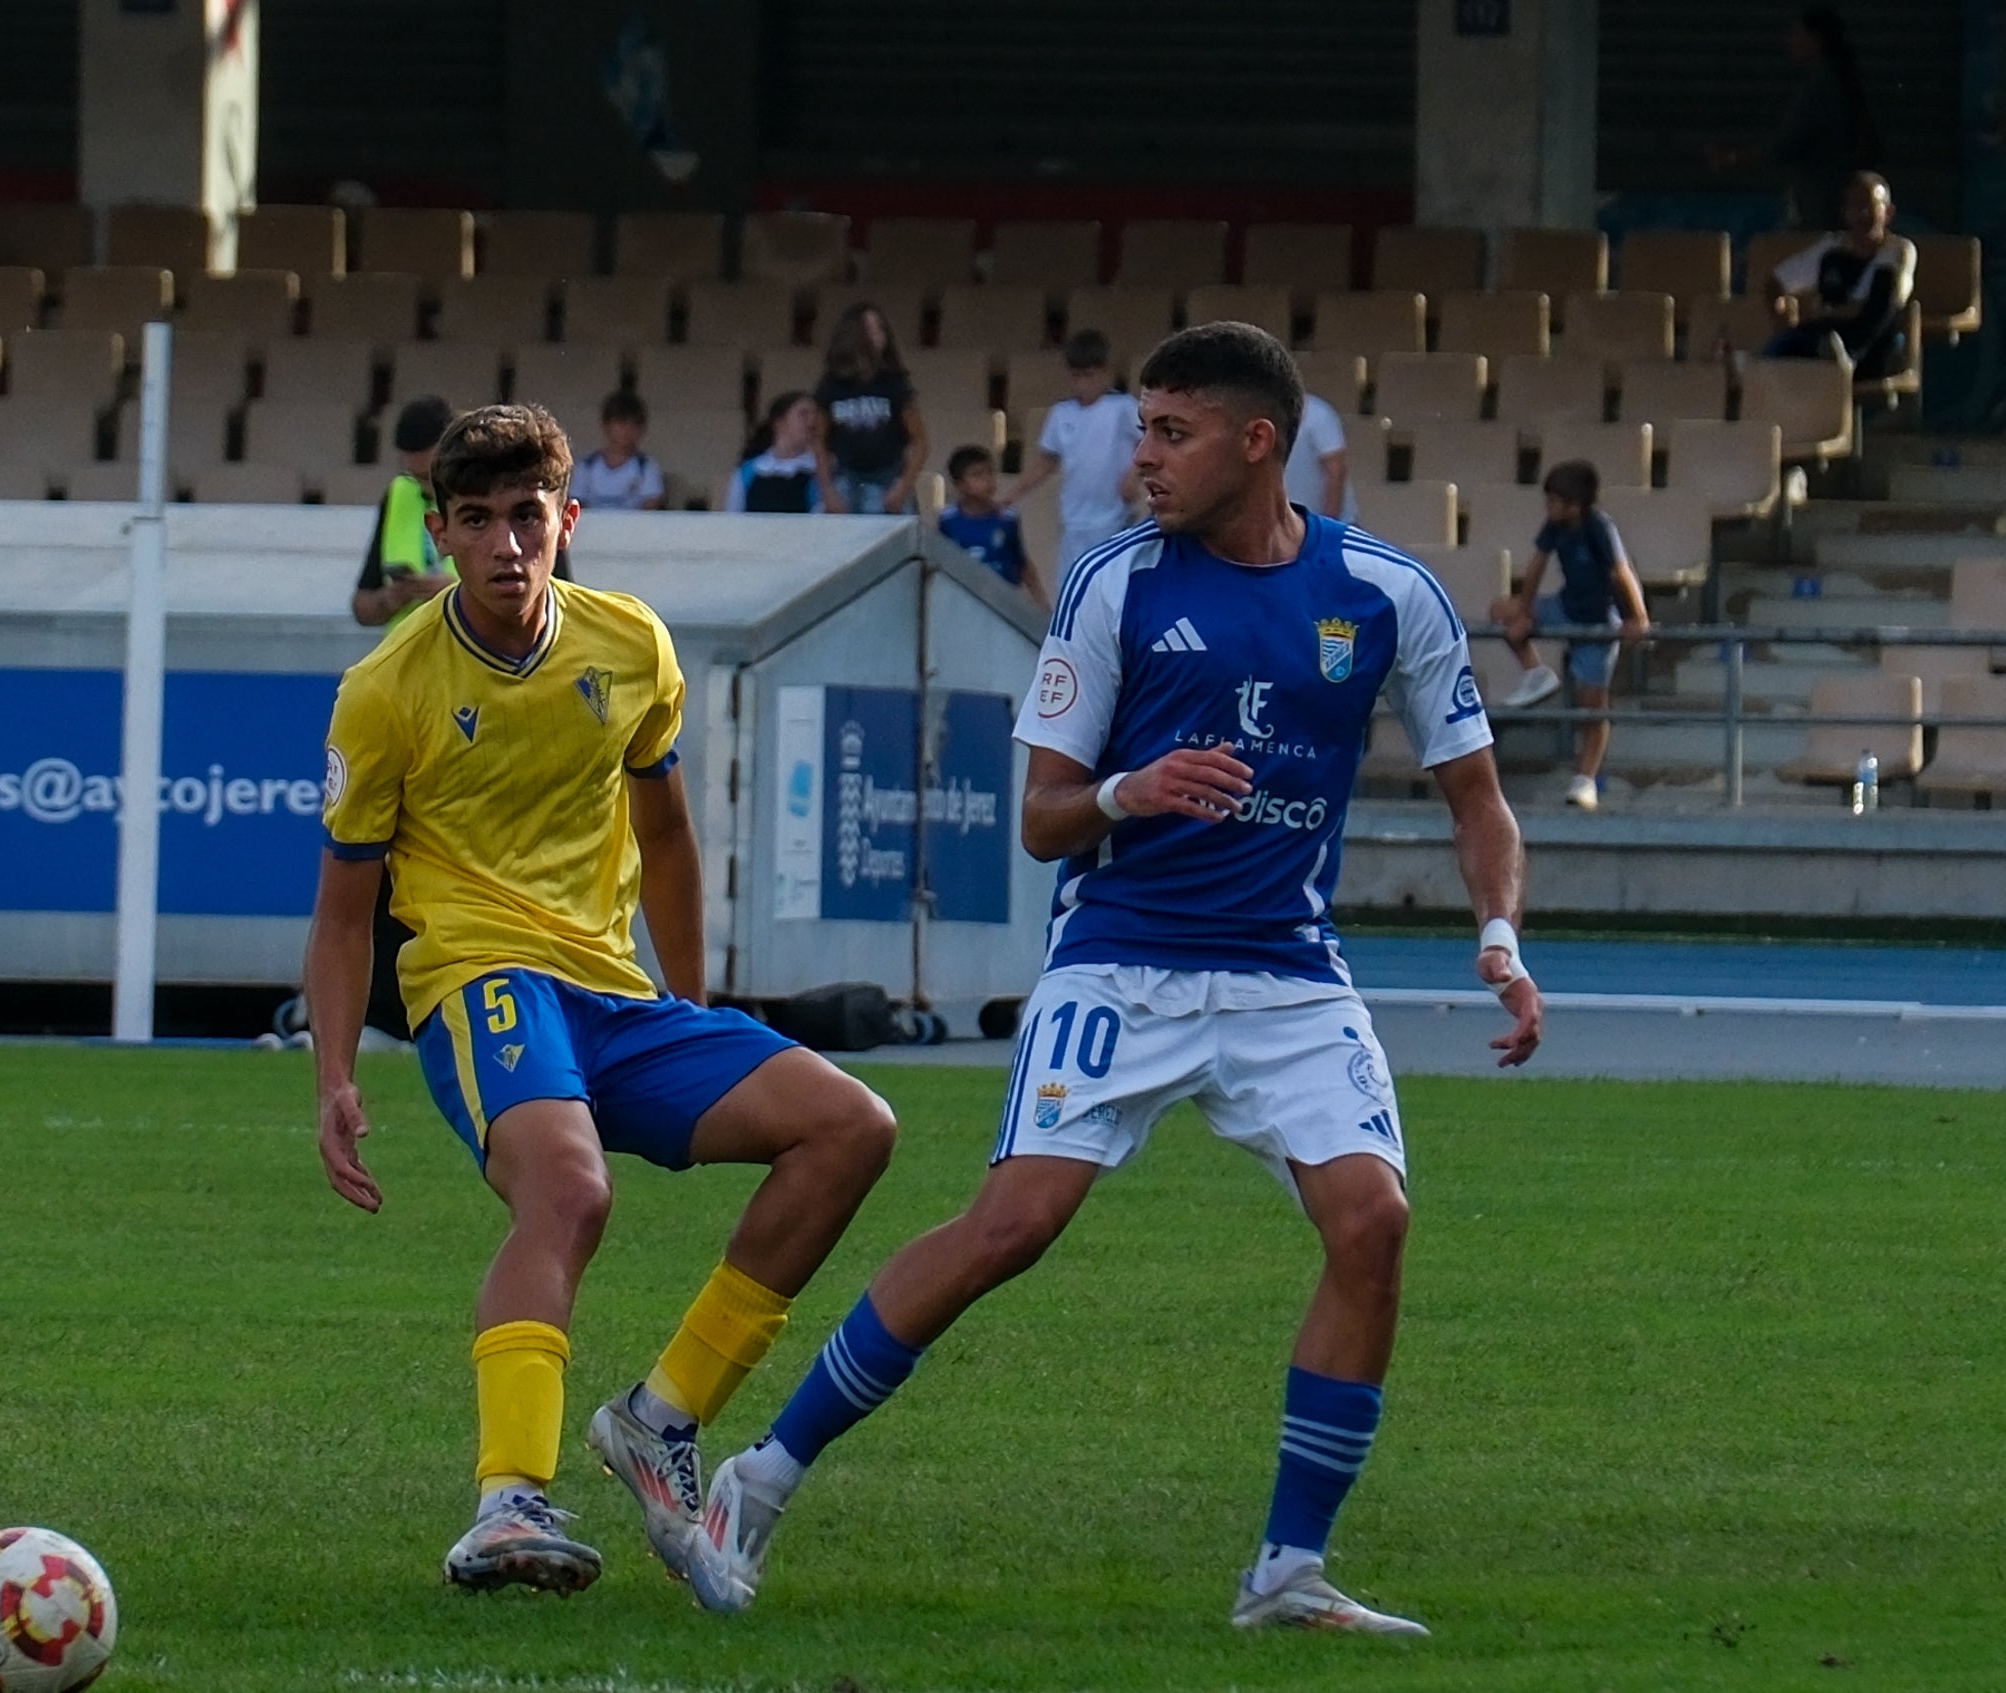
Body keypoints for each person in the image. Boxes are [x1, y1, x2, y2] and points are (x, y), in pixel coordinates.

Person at [694, 325, 1545, 1633]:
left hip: (1286, 980)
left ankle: (1285, 1571)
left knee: (1371, 1225)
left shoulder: (1383, 594)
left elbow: (1475, 797)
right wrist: (1128, 790)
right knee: (1009, 1227)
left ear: (1255, 443)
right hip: (1120, 962)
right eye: (1138, 428)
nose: (1137, 458)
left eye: (1168, 432)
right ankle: (757, 1476)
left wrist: (1497, 938)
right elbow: (1038, 818)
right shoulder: (1113, 587)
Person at [309, 403, 898, 1603]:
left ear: (568, 519)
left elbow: (668, 834)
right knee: (571, 1193)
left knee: (851, 1127)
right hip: (479, 981)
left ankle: (660, 1415)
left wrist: (695, 1004)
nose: (506, 546)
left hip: (617, 994)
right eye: (476, 521)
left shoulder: (631, 645)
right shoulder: (386, 690)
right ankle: (507, 1499)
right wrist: (334, 1077)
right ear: (442, 529)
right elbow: (341, 910)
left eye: (528, 517)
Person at [1495, 461, 1652, 813]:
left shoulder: (1599, 528)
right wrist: (1525, 608)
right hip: (1566, 607)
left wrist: (1638, 618)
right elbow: (1536, 565)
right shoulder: (1554, 525)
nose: (1548, 508)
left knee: (1591, 707)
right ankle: (1537, 674)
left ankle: (1584, 781)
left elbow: (1621, 573)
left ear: (1575, 504)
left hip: (1597, 624)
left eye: (1554, 501)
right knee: (1500, 612)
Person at [1712, 7, 1878, 228]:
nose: (1789, 42)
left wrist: (1735, 158)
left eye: (1796, 34)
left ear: (1816, 39)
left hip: (1822, 198)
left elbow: (1787, 142)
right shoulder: (1839, 82)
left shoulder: (1821, 87)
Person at [1760, 173, 1914, 381]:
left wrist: (1825, 312)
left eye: (1870, 206)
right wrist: (1781, 312)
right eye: (1855, 206)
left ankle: (1844, 361)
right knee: (1783, 350)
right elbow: (1776, 281)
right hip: (1825, 339)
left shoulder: (1898, 250)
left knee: (1884, 292)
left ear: (1888, 213)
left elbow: (1878, 305)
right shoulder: (1831, 249)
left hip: (1872, 346)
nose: (1863, 213)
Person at [1007, 330, 1143, 564]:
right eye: (1076, 376)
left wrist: (1134, 474)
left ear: (1106, 372)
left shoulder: (1123, 407)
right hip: (1073, 520)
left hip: (1115, 517)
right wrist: (1012, 495)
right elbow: (1047, 462)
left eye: (1089, 376)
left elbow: (1149, 441)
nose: (1083, 384)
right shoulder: (1061, 412)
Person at [353, 396, 456, 630]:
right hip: (409, 660)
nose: (424, 485)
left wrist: (459, 597)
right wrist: (391, 599)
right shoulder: (398, 494)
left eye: (432, 475)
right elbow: (362, 606)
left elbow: (547, 598)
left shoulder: (494, 496)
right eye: (415, 476)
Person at [813, 303, 926, 515]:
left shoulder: (895, 384)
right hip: (846, 477)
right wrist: (827, 491)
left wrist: (903, 487)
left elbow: (920, 441)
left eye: (881, 329)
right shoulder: (830, 385)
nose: (878, 336)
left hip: (890, 477)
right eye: (870, 330)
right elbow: (819, 440)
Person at [936, 445, 1035, 600]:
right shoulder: (948, 519)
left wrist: (1041, 602)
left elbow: (1021, 562)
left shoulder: (1007, 518)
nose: (987, 480)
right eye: (977, 475)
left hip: (1004, 598)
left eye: (990, 472)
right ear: (960, 484)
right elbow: (941, 560)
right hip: (964, 597)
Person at [725, 393, 833, 513]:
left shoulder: (822, 468)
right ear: (780, 423)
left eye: (815, 415)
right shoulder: (749, 471)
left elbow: (834, 517)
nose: (811, 422)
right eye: (803, 414)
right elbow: (733, 517)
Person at [576, 390, 667, 511]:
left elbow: (651, 508)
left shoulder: (646, 468)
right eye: (621, 423)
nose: (627, 430)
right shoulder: (586, 466)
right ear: (606, 425)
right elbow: (577, 504)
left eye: (634, 424)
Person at [1283, 392, 1358, 525]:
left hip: (1328, 524)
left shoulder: (1317, 414)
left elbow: (1336, 471)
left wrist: (1329, 524)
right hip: (1292, 526)